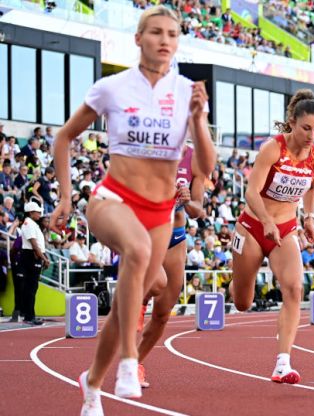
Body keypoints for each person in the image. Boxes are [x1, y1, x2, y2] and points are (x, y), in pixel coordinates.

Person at [51, 6, 215, 414]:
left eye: (172, 34)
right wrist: (66, 196)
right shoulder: (112, 88)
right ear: (138, 39)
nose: (164, 40)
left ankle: (91, 384)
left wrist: (198, 121)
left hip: (160, 211)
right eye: (156, 32)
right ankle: (129, 361)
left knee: (127, 305)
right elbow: (64, 137)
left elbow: (206, 168)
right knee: (140, 254)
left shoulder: (186, 92)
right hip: (114, 199)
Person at [229, 89, 314, 384]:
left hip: (285, 230)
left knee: (295, 290)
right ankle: (236, 279)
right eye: (306, 128)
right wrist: (267, 220)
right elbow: (251, 191)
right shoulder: (273, 149)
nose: (311, 135)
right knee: (243, 302)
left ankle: (283, 363)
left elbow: (311, 188)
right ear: (292, 123)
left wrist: (308, 218)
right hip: (253, 227)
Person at [137, 145, 206, 388]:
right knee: (158, 283)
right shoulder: (147, 148)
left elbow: (198, 210)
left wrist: (188, 200)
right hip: (145, 228)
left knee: (164, 313)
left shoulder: (194, 157)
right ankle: (138, 301)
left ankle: (134, 364)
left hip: (175, 234)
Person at [19, 200, 50, 325]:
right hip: (31, 255)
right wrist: (44, 258)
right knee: (30, 288)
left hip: (34, 255)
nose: (39, 214)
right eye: (37, 212)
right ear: (31, 213)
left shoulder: (32, 223)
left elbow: (38, 245)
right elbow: (34, 244)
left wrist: (43, 256)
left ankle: (30, 315)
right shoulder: (28, 224)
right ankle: (29, 316)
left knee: (32, 287)